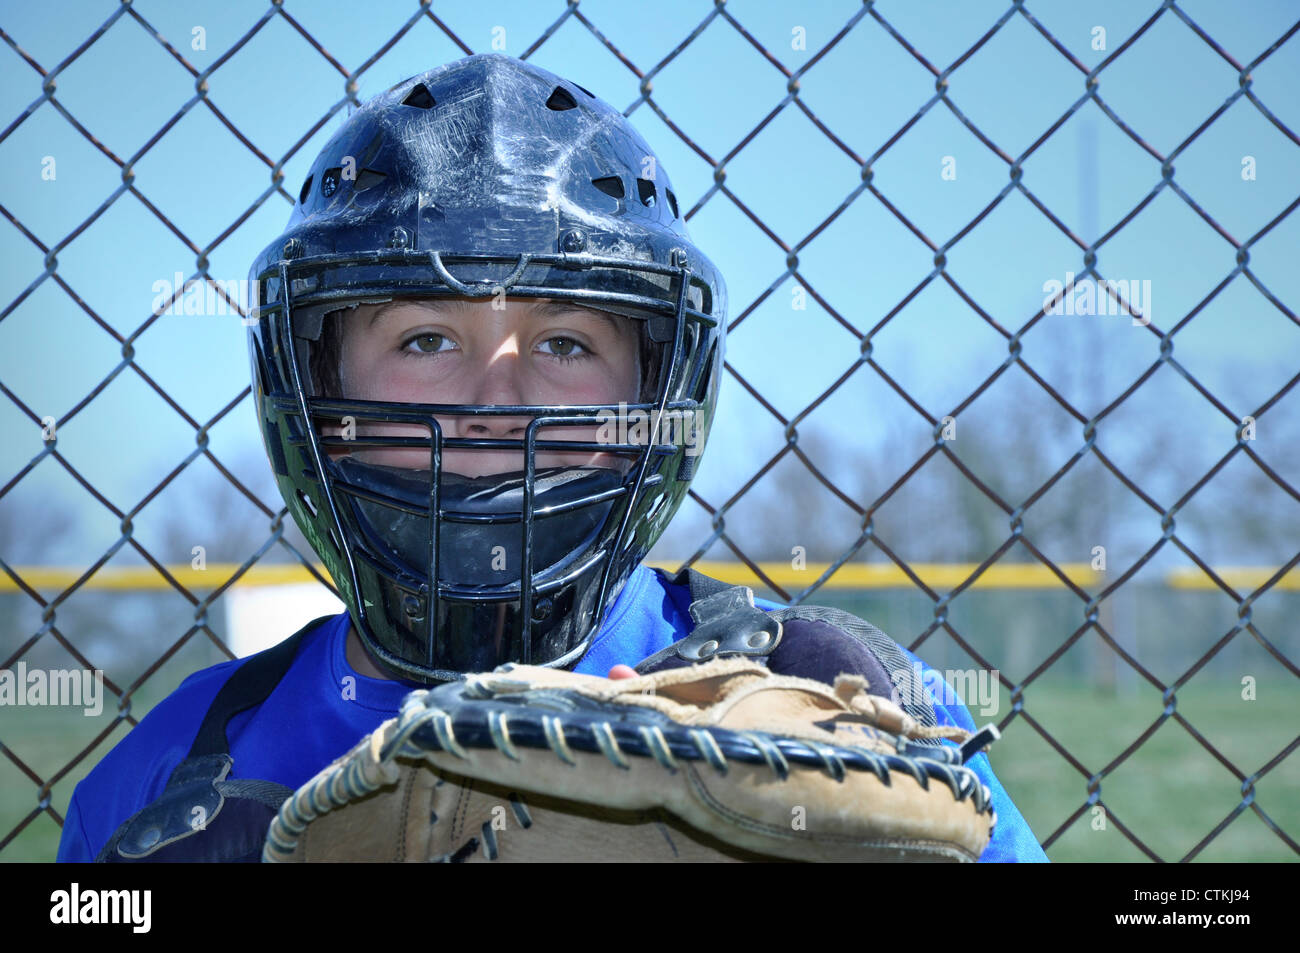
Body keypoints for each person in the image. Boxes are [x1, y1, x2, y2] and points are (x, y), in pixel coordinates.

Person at [58, 53, 1047, 863]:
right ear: (316, 384)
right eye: (425, 340)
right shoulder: (176, 773)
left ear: (651, 386)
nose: (497, 400)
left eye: (564, 343)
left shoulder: (836, 695)